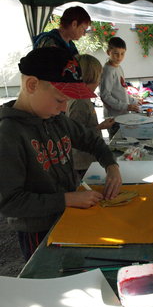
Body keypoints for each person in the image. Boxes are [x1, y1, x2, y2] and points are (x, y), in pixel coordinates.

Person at [0, 47, 122, 261]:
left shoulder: (56, 120)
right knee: (49, 278)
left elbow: (93, 141)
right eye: (59, 100)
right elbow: (10, 202)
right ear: (31, 85)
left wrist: (112, 166)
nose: (64, 108)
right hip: (37, 230)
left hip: (70, 214)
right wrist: (67, 199)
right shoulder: (8, 134)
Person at [66, 54, 115, 180]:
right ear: (90, 77)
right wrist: (100, 127)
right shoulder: (79, 101)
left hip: (86, 159)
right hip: (82, 162)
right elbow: (76, 136)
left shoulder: (83, 98)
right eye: (98, 77)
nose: (99, 82)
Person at [100, 37, 140, 138]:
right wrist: (125, 106)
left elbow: (121, 90)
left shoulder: (118, 67)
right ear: (108, 52)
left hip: (123, 115)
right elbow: (105, 96)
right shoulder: (108, 71)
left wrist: (134, 101)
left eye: (122, 53)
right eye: (116, 53)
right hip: (114, 118)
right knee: (117, 145)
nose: (119, 57)